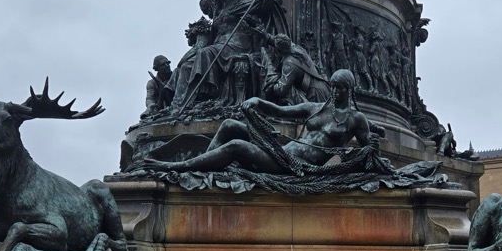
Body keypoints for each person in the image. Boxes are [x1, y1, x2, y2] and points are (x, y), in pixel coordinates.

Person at [145, 69, 370, 176]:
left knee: (236, 147)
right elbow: (279, 110)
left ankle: (179, 167)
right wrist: (257, 102)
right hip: (281, 151)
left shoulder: (356, 120)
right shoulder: (316, 108)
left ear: (349, 90)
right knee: (230, 125)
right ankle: (205, 170)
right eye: (333, 86)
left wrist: (366, 155)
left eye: (340, 87)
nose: (335, 91)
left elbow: (367, 150)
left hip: (292, 166)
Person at [262, 34, 330, 105]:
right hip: (324, 88)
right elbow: (283, 43)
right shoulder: (297, 49)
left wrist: (272, 79)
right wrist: (267, 37)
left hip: (315, 95)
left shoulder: (289, 64)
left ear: (279, 51)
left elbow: (281, 90)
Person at [141, 55, 173, 120]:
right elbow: (149, 98)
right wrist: (151, 106)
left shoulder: (177, 76)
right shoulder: (152, 83)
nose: (167, 65)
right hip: (160, 107)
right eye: (163, 64)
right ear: (157, 68)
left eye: (168, 63)